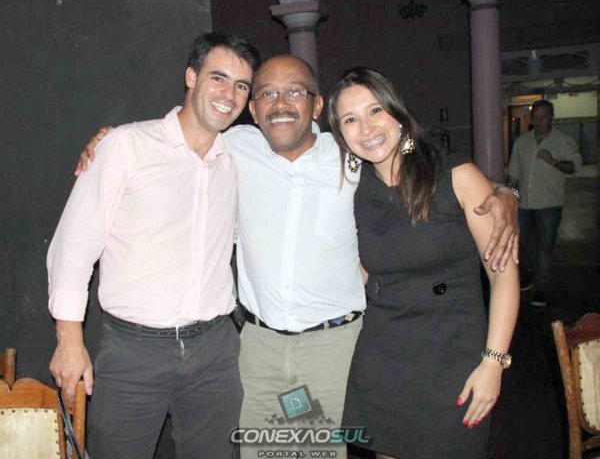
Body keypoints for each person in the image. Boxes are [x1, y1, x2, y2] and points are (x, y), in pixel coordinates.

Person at [76, 55, 519, 459]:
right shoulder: (234, 148)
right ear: (252, 110)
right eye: (267, 93)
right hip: (261, 348)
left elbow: (432, 170)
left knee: (317, 453)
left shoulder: (348, 161)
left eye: (295, 91)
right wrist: (109, 141)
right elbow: (175, 140)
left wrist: (506, 193)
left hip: (337, 347)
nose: (281, 103)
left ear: (317, 105)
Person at [47, 32, 260, 459]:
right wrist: (69, 340)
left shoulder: (239, 158)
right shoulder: (126, 146)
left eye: (241, 85)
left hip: (215, 351)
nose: (229, 94)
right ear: (191, 76)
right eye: (218, 78)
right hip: (133, 352)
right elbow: (73, 245)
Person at [327, 66, 520, 459]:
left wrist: (494, 363)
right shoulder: (353, 189)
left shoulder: (454, 175)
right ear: (341, 135)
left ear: (398, 114)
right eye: (350, 119)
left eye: (375, 110)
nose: (366, 128)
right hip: (384, 356)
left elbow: (503, 277)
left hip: (453, 355)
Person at [508, 99, 582, 307]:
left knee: (545, 248)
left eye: (544, 117)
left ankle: (540, 289)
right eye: (536, 117)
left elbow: (575, 167)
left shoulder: (563, 141)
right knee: (523, 245)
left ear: (551, 118)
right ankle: (528, 276)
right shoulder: (522, 142)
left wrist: (554, 161)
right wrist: (510, 196)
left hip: (549, 204)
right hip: (524, 204)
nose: (539, 121)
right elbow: (514, 173)